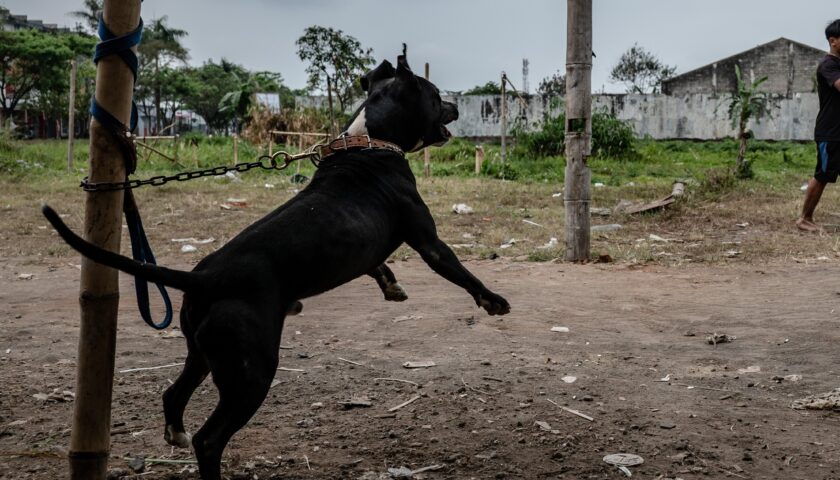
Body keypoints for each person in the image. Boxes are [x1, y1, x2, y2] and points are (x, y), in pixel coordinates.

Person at [797, 19, 840, 232]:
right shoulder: (828, 65)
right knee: (822, 175)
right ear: (833, 41)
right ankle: (805, 218)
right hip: (831, 132)